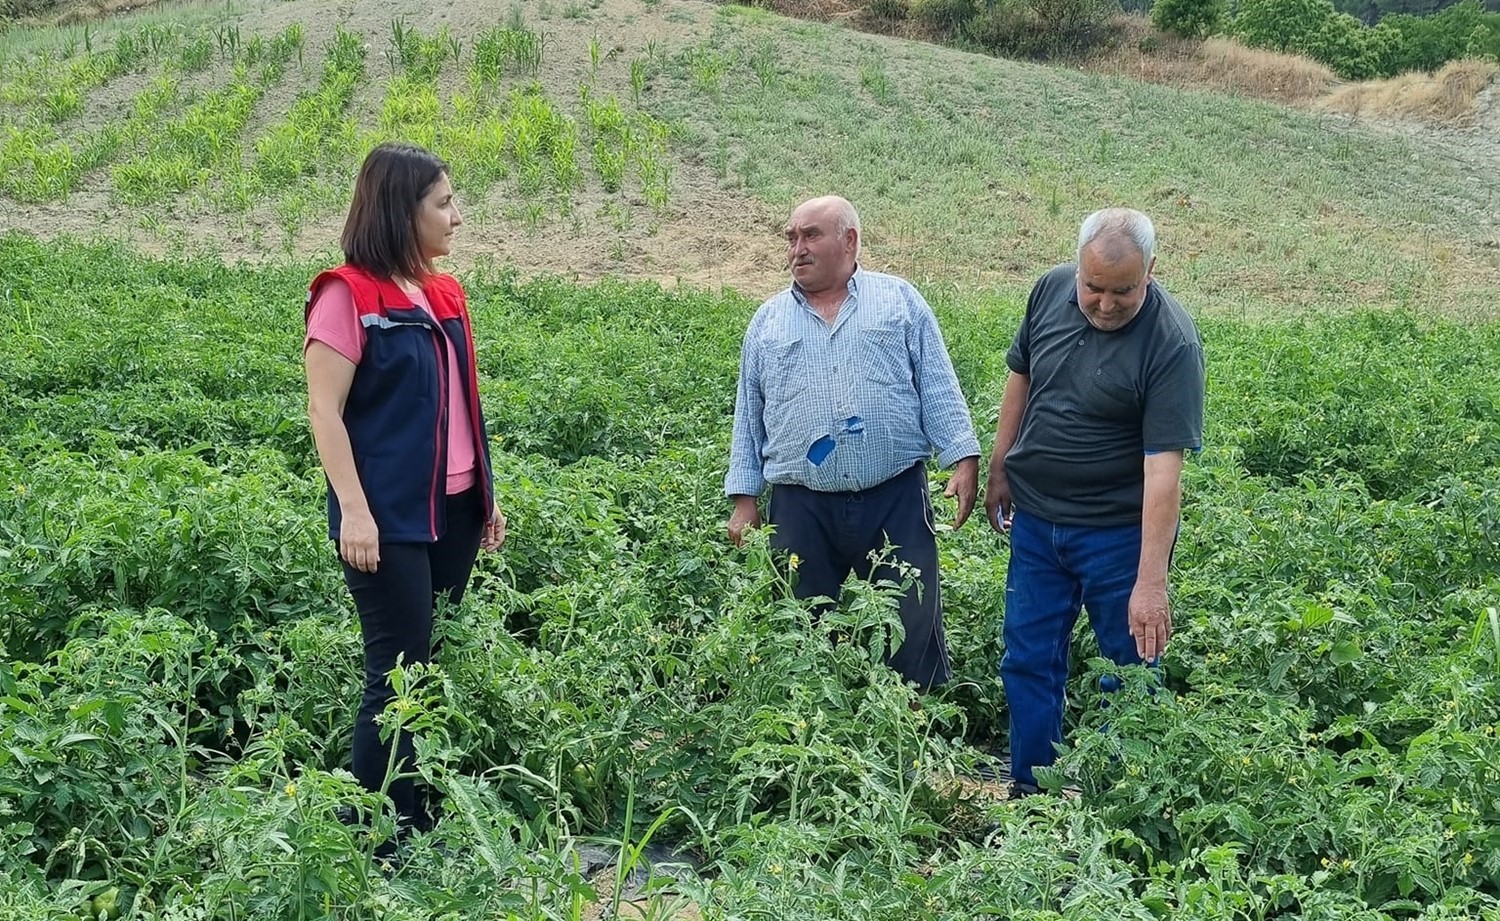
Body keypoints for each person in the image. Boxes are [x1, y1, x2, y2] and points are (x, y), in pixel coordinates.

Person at [304, 142, 506, 836]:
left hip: (451, 509)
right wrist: (354, 511)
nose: (458, 217)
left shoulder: (444, 292)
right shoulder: (348, 294)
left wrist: (485, 493)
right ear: (401, 209)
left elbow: (461, 401)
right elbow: (324, 411)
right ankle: (377, 830)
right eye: (444, 203)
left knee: (426, 667)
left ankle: (415, 810)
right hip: (386, 517)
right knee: (394, 672)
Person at [984, 207, 1204, 795]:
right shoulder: (1050, 289)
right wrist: (1001, 465)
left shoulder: (1171, 342)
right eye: (1094, 288)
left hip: (1116, 535)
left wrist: (1151, 582)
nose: (1105, 305)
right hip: (1038, 524)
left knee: (1129, 671)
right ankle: (1032, 796)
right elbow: (1021, 376)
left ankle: (1118, 807)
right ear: (1077, 268)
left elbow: (1163, 473)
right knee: (1028, 659)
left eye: (1123, 291)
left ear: (1152, 271)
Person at [725, 195, 980, 690]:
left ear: (850, 240)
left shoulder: (899, 301)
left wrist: (963, 459)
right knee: (800, 624)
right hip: (801, 504)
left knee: (910, 614)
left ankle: (913, 723)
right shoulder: (767, 321)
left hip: (895, 495)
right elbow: (748, 416)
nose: (797, 248)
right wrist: (743, 500)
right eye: (791, 238)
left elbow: (938, 385)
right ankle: (811, 722)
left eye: (811, 236)